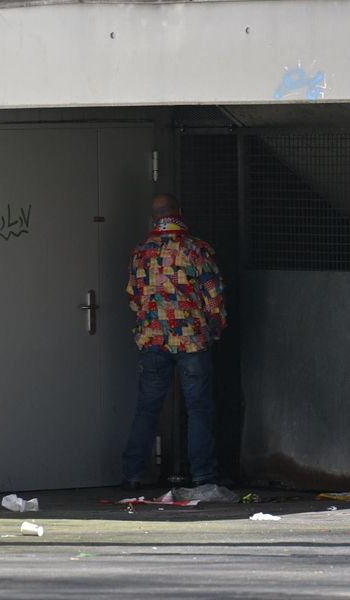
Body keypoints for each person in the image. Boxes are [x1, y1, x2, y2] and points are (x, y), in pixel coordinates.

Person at [121, 193, 227, 489]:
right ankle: (203, 476)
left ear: (154, 217)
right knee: (198, 409)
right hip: (192, 340)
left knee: (147, 408)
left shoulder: (141, 253)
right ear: (179, 212)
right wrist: (215, 328)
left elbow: (134, 296)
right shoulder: (196, 249)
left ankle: (132, 473)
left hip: (153, 340)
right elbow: (213, 296)